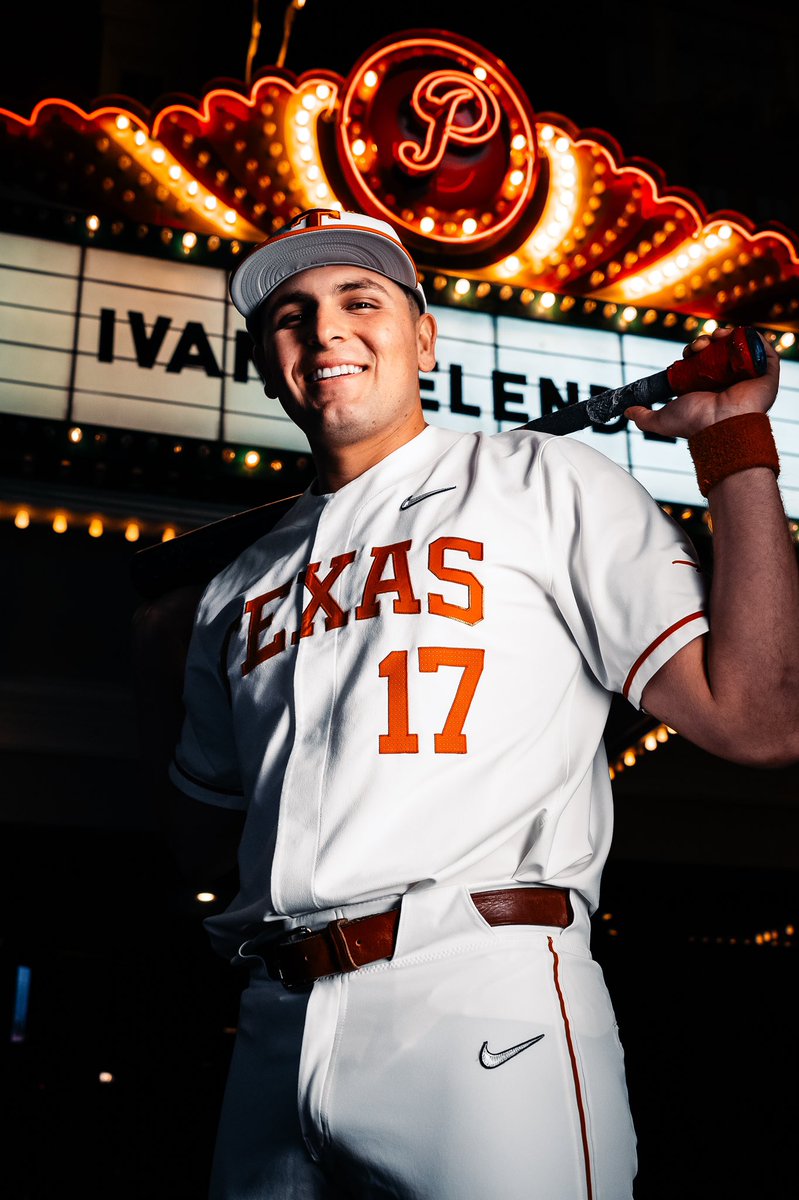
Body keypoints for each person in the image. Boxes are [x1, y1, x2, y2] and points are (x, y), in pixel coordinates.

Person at [134, 208, 799, 1200]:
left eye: (361, 299)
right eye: (290, 314)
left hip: (480, 1002)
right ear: (266, 361)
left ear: (426, 335)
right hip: (273, 1021)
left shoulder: (546, 480)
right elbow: (206, 822)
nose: (323, 332)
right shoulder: (235, 587)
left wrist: (733, 444)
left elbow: (758, 719)